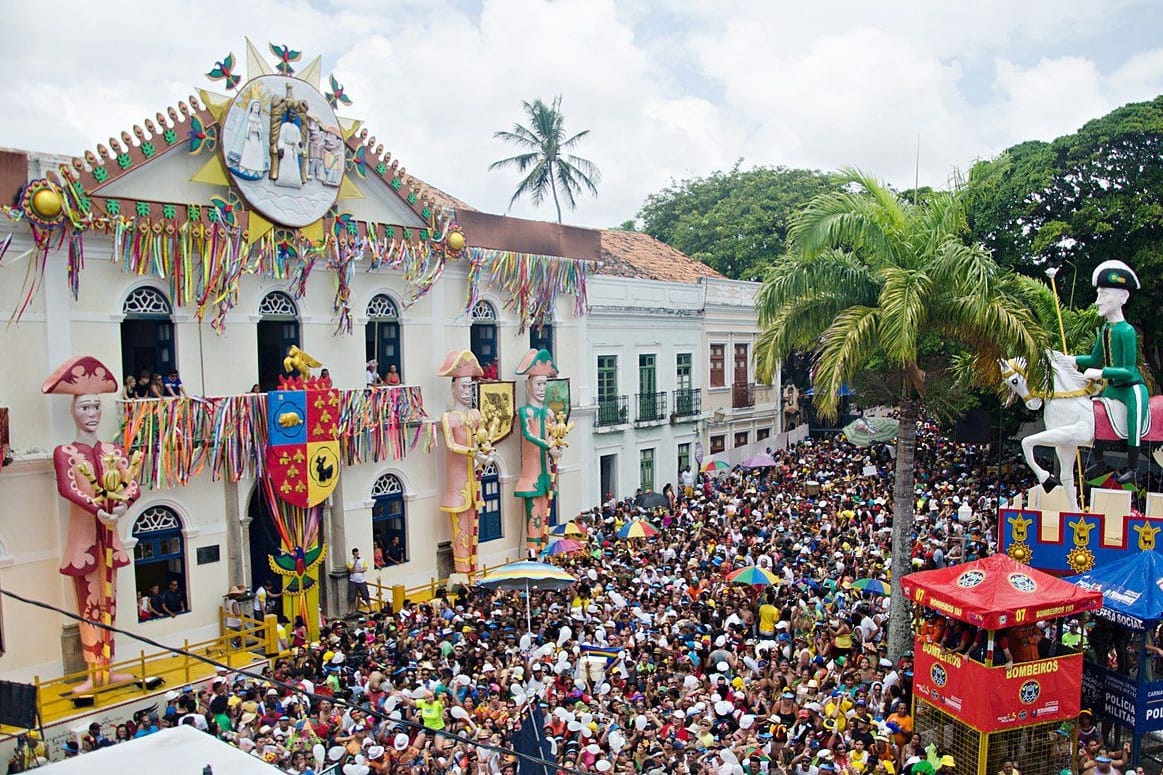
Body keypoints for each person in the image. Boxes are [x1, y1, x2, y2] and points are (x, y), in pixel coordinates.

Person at [43, 356, 142, 692]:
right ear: (74, 411)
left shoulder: (114, 450)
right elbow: (68, 488)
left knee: (111, 603)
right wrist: (97, 509)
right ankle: (92, 670)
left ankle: (108, 666)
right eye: (85, 407)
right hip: (85, 539)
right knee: (89, 603)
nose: (92, 414)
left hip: (109, 536)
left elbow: (132, 484)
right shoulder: (65, 452)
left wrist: (122, 507)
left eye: (96, 407)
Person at [1073, 260, 1147, 485]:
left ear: (1123, 297)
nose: (1098, 301)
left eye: (1104, 295)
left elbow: (1129, 369)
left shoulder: (1127, 331)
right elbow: (1094, 358)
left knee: (1134, 417)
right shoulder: (1106, 329)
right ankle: (1098, 459)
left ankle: (1133, 468)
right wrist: (1071, 359)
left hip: (1131, 387)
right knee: (1095, 413)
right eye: (1099, 295)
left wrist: (1100, 372)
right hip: (1113, 388)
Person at [436, 350, 492, 574]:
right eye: (464, 387)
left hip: (474, 483)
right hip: (458, 486)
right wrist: (474, 453)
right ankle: (462, 572)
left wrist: (484, 456)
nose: (468, 392)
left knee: (474, 529)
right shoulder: (449, 418)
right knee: (461, 532)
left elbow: (484, 439)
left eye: (471, 387)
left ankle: (474, 569)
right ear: (453, 388)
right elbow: (451, 445)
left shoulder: (476, 415)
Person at [514, 349, 563, 557]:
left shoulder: (549, 413)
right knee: (533, 515)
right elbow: (528, 434)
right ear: (528, 385)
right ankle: (533, 552)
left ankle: (543, 549)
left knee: (545, 515)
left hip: (546, 474)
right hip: (532, 474)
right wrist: (548, 446)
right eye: (538, 384)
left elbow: (554, 434)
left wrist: (557, 447)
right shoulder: (526, 412)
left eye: (544, 384)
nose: (542, 388)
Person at [347, 547, 370, 615]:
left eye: (357, 552)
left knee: (366, 595)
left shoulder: (363, 560)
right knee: (352, 596)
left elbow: (365, 569)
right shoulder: (350, 561)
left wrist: (356, 571)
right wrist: (355, 563)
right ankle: (350, 610)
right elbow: (351, 570)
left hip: (361, 580)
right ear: (353, 554)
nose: (357, 554)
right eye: (355, 553)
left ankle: (370, 609)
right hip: (353, 581)